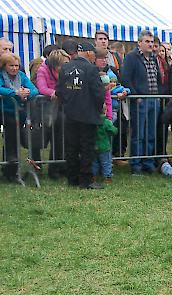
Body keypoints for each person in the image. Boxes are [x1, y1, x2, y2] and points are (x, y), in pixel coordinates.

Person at [56, 42, 105, 189]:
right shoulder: (91, 69)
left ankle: (72, 178)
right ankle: (86, 180)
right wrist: (98, 108)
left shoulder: (65, 67)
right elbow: (98, 94)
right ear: (89, 53)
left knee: (71, 147)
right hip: (87, 114)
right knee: (86, 148)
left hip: (70, 114)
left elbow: (60, 91)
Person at [121, 30, 161, 175]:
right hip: (140, 100)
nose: (150, 44)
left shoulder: (154, 58)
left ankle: (148, 162)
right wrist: (135, 95)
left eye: (151, 42)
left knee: (151, 134)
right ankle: (136, 164)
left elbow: (157, 78)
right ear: (140, 43)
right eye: (147, 42)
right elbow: (125, 77)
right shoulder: (131, 57)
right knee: (138, 134)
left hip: (154, 99)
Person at [0, 52, 39, 182]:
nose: (14, 68)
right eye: (11, 65)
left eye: (16, 65)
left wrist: (27, 93)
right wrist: (15, 93)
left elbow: (34, 90)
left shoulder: (21, 75)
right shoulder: (1, 76)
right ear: (4, 66)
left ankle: (13, 170)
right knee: (11, 137)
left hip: (20, 112)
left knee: (16, 139)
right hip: (5, 111)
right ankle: (10, 167)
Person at [35, 49, 70, 179]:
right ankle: (52, 169)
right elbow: (41, 88)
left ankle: (62, 166)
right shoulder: (42, 70)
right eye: (65, 63)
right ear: (56, 64)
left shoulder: (66, 71)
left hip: (63, 108)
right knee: (52, 139)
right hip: (47, 109)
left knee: (62, 139)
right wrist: (54, 93)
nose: (68, 65)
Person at [92, 106, 118, 183]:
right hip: (104, 146)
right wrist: (115, 129)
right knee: (106, 162)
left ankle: (93, 176)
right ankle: (107, 177)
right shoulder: (106, 122)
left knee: (94, 162)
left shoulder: (92, 121)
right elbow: (113, 131)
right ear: (105, 111)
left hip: (94, 145)